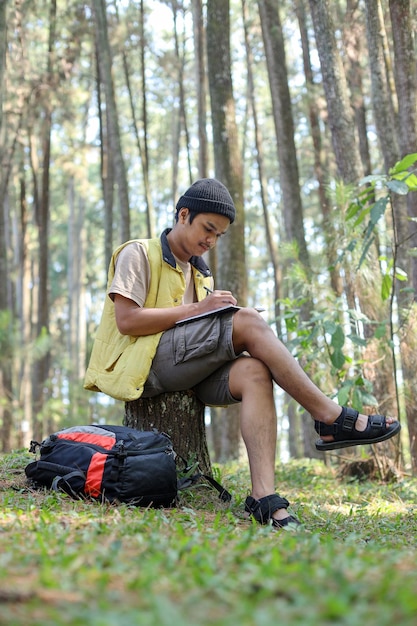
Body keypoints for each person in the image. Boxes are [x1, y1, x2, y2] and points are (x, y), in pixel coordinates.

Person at [84, 178, 401, 529]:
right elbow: (127, 321)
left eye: (219, 235)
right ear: (183, 214)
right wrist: (200, 310)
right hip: (140, 366)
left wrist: (210, 315)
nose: (211, 241)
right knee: (247, 321)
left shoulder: (200, 273)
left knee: (253, 371)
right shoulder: (138, 252)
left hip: (187, 371)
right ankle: (329, 416)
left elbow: (194, 337)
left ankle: (264, 498)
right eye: (208, 229)